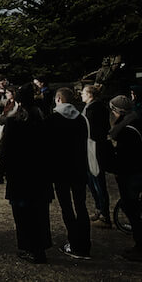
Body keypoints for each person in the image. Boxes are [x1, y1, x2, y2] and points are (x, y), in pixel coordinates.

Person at [0, 83, 53, 264]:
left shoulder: (14, 124)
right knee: (40, 213)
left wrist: (1, 170)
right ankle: (39, 248)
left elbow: (6, 150)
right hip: (40, 174)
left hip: (20, 174)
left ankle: (29, 247)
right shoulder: (43, 122)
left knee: (23, 213)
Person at [47, 87, 91, 259]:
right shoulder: (81, 119)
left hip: (60, 170)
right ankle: (85, 244)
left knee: (67, 207)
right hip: (79, 168)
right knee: (81, 206)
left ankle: (74, 243)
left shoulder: (52, 119)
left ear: (58, 99)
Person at [107, 94, 142, 263]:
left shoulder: (127, 131)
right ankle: (140, 245)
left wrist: (113, 162)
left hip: (131, 175)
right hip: (138, 171)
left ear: (118, 111)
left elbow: (124, 158)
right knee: (132, 209)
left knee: (132, 210)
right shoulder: (137, 123)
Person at [81, 84, 112, 227]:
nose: (81, 95)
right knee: (93, 180)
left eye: (83, 93)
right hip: (93, 147)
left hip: (94, 148)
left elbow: (92, 130)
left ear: (90, 95)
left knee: (97, 181)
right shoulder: (95, 108)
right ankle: (100, 209)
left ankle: (104, 214)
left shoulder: (94, 110)